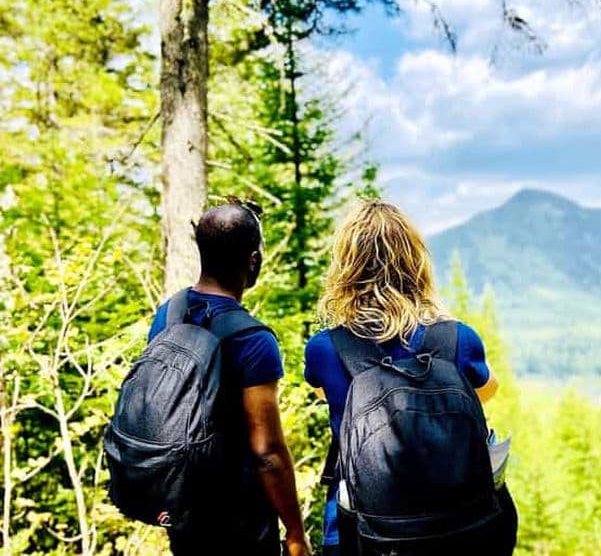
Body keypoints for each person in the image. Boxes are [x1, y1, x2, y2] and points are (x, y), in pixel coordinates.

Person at [304, 200, 517, 556]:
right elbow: (488, 390)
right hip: (456, 529)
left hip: (359, 529)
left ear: (346, 266)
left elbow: (323, 394)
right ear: (415, 261)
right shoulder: (458, 339)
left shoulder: (326, 349)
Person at [147, 202, 312, 556]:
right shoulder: (252, 339)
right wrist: (296, 533)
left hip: (183, 512)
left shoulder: (168, 315)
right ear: (253, 260)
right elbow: (266, 452)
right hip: (240, 521)